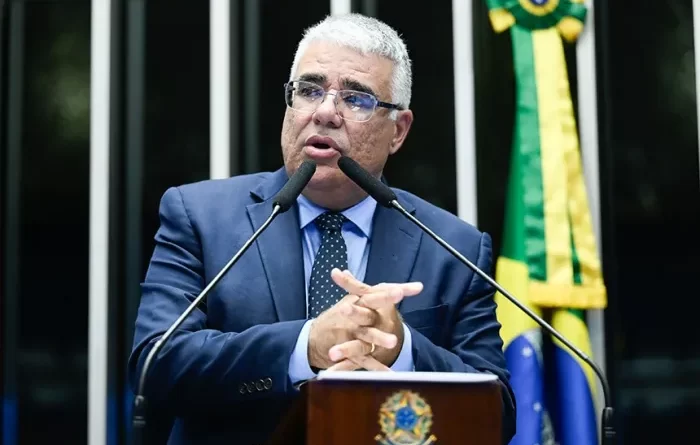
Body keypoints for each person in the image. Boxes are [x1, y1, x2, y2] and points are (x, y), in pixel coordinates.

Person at [129, 13, 516, 445]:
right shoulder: (200, 216)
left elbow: (497, 415)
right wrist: (306, 345)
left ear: (398, 131)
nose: (326, 112)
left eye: (356, 99)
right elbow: (155, 364)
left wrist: (403, 350)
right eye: (310, 90)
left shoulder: (454, 249)